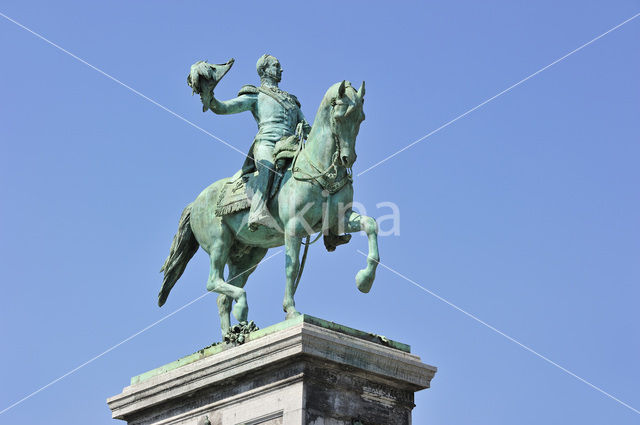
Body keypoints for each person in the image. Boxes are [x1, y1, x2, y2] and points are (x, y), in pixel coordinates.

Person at [199, 54, 311, 231]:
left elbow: (307, 129)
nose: (281, 69)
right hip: (267, 143)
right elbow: (225, 108)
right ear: (264, 70)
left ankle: (330, 225)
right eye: (276, 65)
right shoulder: (256, 95)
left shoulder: (292, 101)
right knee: (268, 167)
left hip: (291, 146)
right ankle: (257, 212)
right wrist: (210, 97)